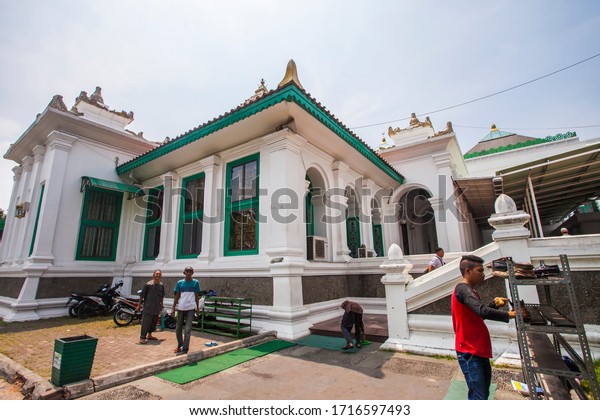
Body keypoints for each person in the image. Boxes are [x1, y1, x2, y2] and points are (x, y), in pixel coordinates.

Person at [452, 255, 518, 400]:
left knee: (483, 393)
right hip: (469, 350)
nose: (483, 274)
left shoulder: (470, 291)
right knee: (478, 396)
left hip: (478, 349)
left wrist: (493, 305)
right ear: (468, 271)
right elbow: (481, 311)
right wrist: (510, 314)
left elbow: (477, 313)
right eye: (480, 270)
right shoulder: (463, 289)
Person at [171, 266, 201, 354]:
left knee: (187, 329)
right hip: (181, 308)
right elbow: (177, 296)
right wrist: (173, 307)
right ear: (184, 273)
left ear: (192, 273)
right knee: (178, 329)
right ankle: (180, 344)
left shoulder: (195, 283)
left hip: (190, 308)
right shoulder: (180, 283)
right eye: (187, 271)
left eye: (190, 271)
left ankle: (185, 348)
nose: (188, 273)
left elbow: (196, 296)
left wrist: (197, 308)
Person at [137, 269, 165, 344]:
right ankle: (142, 337)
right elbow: (142, 296)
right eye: (156, 274)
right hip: (148, 307)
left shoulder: (161, 285)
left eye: (159, 274)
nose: (158, 276)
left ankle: (150, 335)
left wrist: (161, 304)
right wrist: (139, 305)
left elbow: (162, 296)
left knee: (153, 322)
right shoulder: (148, 284)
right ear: (153, 275)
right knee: (146, 322)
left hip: (156, 307)